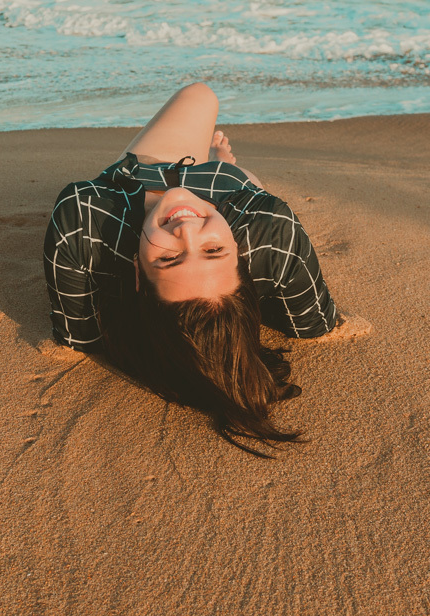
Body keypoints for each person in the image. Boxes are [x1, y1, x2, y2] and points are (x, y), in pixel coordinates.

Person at [43, 83, 338, 456]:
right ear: (242, 256)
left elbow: (78, 338)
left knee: (198, 96)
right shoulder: (270, 235)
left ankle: (212, 166)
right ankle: (224, 166)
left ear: (136, 273)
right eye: (213, 250)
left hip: (145, 173)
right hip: (228, 192)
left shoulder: (85, 221)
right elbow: (316, 324)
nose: (185, 232)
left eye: (168, 259)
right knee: (239, 165)